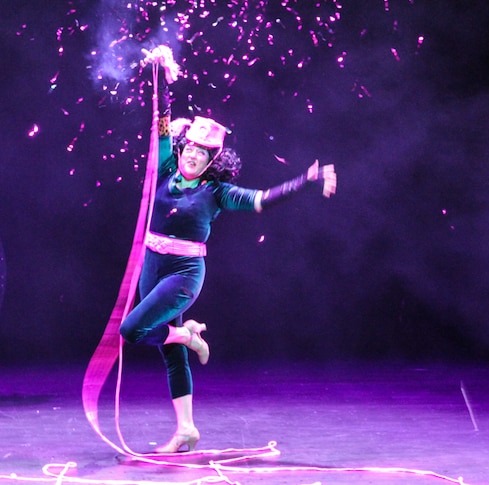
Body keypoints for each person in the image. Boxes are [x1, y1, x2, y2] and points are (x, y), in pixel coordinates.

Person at [118, 45, 337, 453]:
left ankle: (186, 334)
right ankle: (186, 429)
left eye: (203, 154)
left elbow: (261, 199)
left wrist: (304, 179)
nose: (193, 157)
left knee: (132, 331)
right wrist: (163, 74)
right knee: (170, 354)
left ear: (212, 161)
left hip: (183, 275)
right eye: (190, 150)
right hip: (153, 263)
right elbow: (161, 123)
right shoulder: (166, 168)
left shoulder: (217, 192)